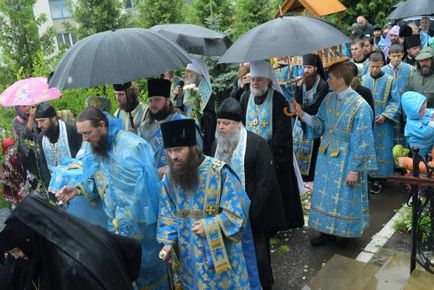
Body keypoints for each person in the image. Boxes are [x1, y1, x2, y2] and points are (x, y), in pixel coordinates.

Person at [55, 107, 166, 289]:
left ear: (102, 125)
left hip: (142, 232)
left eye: (87, 133)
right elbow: (98, 178)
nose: (84, 139)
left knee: (149, 276)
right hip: (115, 228)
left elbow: (147, 193)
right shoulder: (96, 147)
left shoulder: (132, 146)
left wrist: (124, 221)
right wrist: (77, 189)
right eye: (81, 134)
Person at [157, 119, 255, 289]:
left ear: (193, 147)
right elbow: (168, 214)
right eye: (170, 151)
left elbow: (238, 212)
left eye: (179, 150)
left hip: (223, 260)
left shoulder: (219, 173)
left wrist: (210, 225)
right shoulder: (170, 178)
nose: (173, 156)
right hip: (190, 261)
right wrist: (168, 243)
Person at [294, 62, 377, 247]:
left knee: (346, 195)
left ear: (340, 79)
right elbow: (318, 125)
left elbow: (362, 141)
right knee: (326, 195)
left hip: (347, 158)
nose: (327, 81)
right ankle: (327, 232)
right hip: (326, 157)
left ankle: (347, 234)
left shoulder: (361, 107)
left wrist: (355, 170)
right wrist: (301, 114)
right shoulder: (329, 98)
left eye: (330, 78)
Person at [213, 98, 286, 290]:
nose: (220, 127)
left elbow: (266, 183)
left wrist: (252, 213)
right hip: (225, 216)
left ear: (238, 124)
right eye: (219, 123)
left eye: (225, 123)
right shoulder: (216, 146)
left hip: (254, 215)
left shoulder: (257, 144)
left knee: (259, 258)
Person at [0, 195, 142, 290]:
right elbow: (132, 248)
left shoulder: (68, 267)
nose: (16, 257)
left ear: (29, 238)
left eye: (16, 251)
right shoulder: (79, 229)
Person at [240, 60, 304, 230]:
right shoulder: (245, 98)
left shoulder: (278, 99)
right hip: (251, 156)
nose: (255, 83)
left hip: (273, 155)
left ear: (269, 80)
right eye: (253, 79)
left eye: (259, 79)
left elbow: (283, 132)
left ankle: (277, 224)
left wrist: (268, 153)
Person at [140, 78, 202, 174]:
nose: (152, 104)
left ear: (168, 101)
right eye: (150, 100)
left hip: (180, 180)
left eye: (157, 100)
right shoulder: (145, 127)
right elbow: (141, 156)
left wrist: (168, 171)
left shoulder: (183, 123)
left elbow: (198, 156)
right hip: (153, 182)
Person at [361, 52, 400, 191]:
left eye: (377, 66)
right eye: (372, 66)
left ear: (383, 64)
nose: (375, 69)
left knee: (382, 150)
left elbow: (395, 101)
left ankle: (380, 179)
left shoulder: (390, 80)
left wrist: (385, 115)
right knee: (367, 147)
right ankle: (367, 176)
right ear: (369, 65)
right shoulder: (363, 79)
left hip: (383, 122)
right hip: (366, 121)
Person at [293, 54, 329, 181]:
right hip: (299, 124)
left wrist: (300, 109)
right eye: (304, 67)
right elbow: (296, 101)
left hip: (314, 123)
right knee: (296, 150)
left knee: (312, 155)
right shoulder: (301, 82)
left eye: (309, 67)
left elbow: (315, 106)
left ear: (316, 68)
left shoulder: (323, 85)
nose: (306, 70)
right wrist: (297, 88)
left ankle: (310, 181)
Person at [183, 58, 216, 154]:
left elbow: (211, 118)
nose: (186, 75)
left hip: (203, 137)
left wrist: (199, 116)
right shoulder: (189, 91)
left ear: (198, 74)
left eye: (189, 72)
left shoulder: (207, 94)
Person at [401, 91, 434, 157]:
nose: (424, 111)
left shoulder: (424, 112)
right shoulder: (411, 124)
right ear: (412, 112)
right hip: (420, 151)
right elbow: (425, 134)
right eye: (421, 111)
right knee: (422, 165)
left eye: (425, 107)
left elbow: (429, 111)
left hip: (430, 146)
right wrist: (432, 121)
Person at [12, 105, 40, 179]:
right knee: (34, 178)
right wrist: (31, 118)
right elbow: (25, 135)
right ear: (18, 108)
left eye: (28, 105)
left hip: (37, 150)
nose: (27, 108)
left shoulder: (32, 116)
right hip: (27, 154)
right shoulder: (16, 120)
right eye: (24, 106)